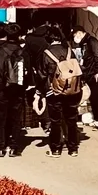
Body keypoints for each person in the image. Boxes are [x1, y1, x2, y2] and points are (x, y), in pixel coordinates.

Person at [0, 22, 27, 157]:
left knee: (0, 118)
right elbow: (28, 73)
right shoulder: (23, 52)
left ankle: (0, 148)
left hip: (1, 88)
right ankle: (14, 147)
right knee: (16, 118)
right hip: (18, 89)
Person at [42, 25, 82, 157]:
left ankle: (56, 148)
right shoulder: (69, 51)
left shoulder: (46, 53)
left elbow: (42, 74)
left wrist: (41, 92)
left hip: (54, 91)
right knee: (71, 119)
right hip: (71, 90)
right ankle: (73, 148)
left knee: (55, 120)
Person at [72, 26, 98, 128]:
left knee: (96, 97)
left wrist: (97, 72)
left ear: (79, 33)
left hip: (95, 74)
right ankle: (96, 118)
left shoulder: (92, 41)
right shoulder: (83, 44)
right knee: (92, 97)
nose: (75, 38)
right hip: (89, 74)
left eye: (75, 35)